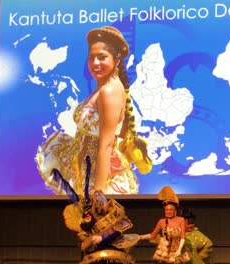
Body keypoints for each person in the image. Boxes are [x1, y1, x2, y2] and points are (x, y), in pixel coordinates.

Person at [36, 25, 152, 195]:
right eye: (91, 58)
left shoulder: (109, 91)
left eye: (102, 57)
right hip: (83, 166)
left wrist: (99, 194)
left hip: (98, 176)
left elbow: (106, 144)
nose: (95, 63)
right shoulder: (103, 87)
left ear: (116, 60)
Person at [58, 156, 140, 264]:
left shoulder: (110, 217)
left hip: (115, 256)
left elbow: (120, 228)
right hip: (98, 258)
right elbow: (83, 246)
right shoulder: (88, 228)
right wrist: (92, 239)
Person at [140, 186, 190, 263]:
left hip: (178, 251)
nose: (168, 212)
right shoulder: (161, 221)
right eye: (166, 210)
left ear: (175, 210)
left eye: (171, 210)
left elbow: (183, 237)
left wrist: (179, 250)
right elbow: (153, 235)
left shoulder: (181, 220)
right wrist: (140, 237)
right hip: (166, 252)